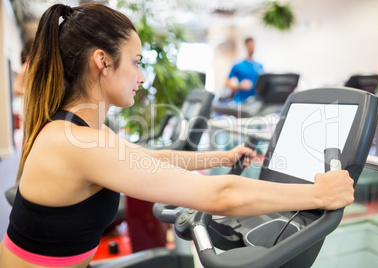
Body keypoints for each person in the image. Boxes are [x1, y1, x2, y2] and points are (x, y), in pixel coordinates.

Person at [0, 3, 354, 268]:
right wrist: (320, 193)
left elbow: (150, 158)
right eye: (136, 62)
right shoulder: (79, 142)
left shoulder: (79, 130)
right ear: (102, 62)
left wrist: (221, 157)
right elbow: (222, 195)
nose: (141, 77)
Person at [225, 37, 264, 103]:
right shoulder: (238, 65)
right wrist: (239, 86)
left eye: (253, 46)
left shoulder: (259, 66)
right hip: (241, 101)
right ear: (246, 47)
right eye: (249, 46)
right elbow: (226, 83)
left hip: (255, 101)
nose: (251, 48)